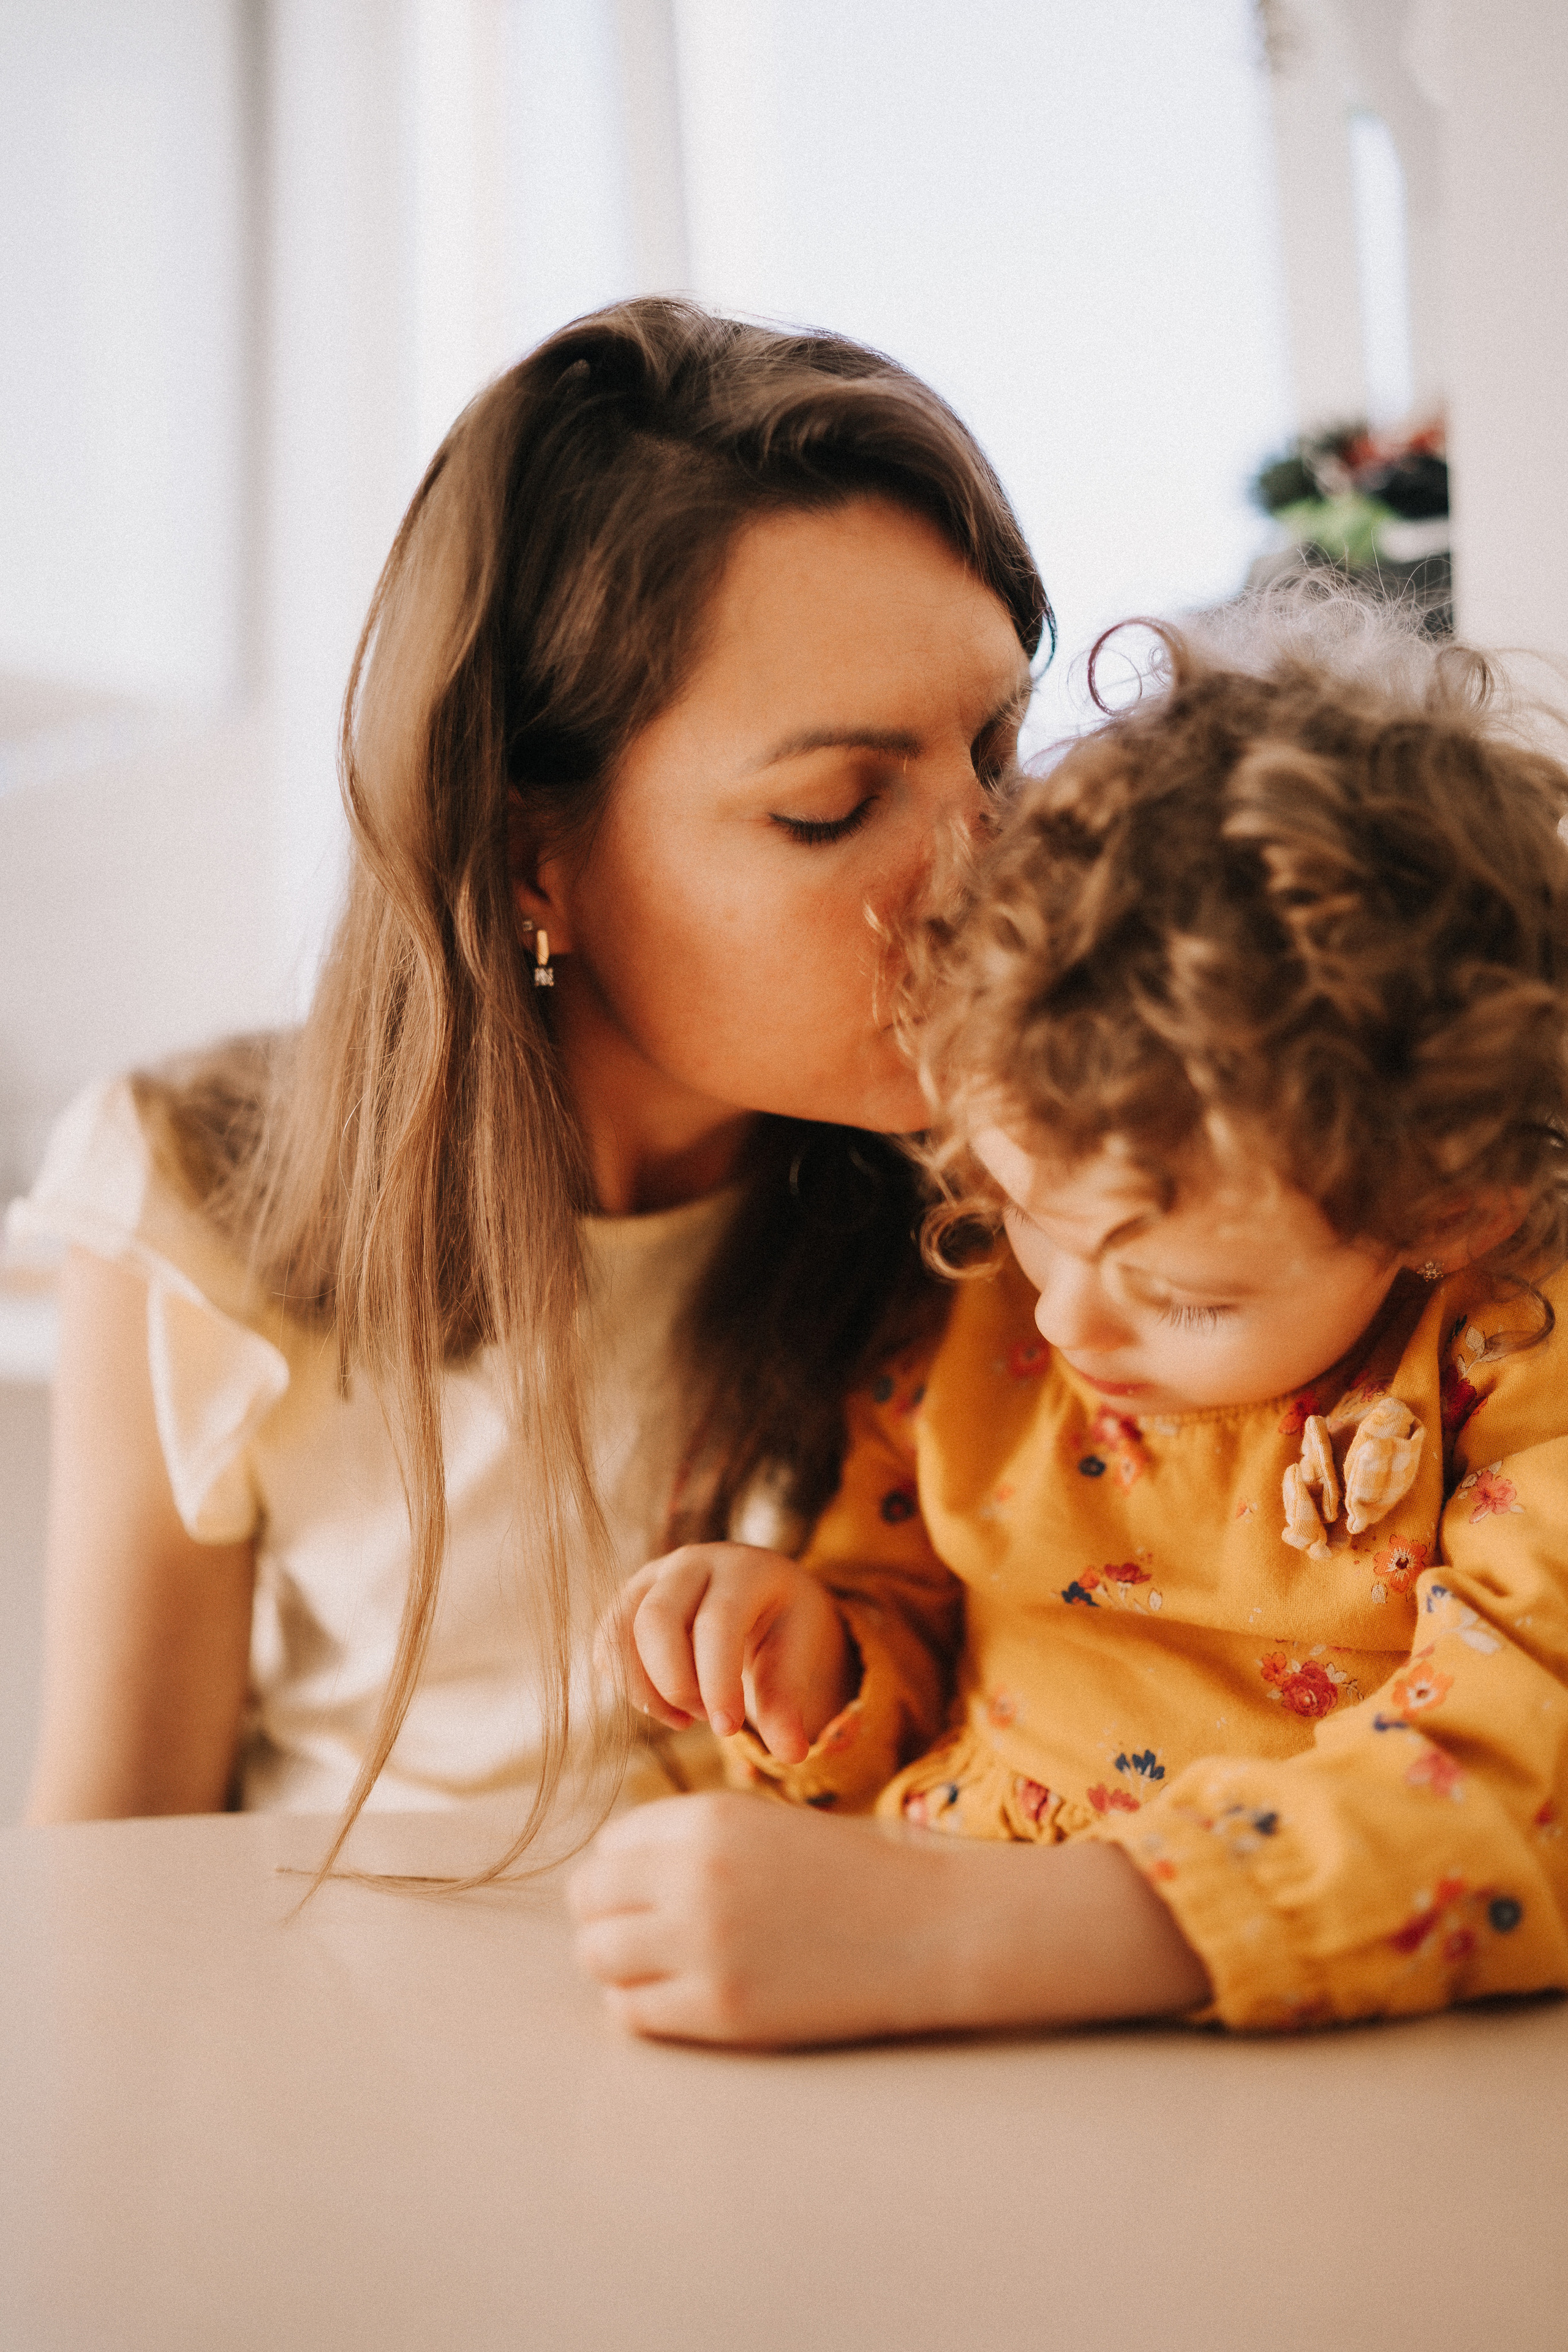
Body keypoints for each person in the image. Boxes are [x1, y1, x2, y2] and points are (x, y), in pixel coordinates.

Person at [13, 298, 1046, 1872]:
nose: (994, 871)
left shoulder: (1048, 1199)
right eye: (835, 808)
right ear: (524, 861)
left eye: (997, 745)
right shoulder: (190, 1188)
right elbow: (109, 1881)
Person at [579, 593, 1568, 2041]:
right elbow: (908, 1618)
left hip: (1299, 2038)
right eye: (1023, 1213)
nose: (1069, 1326)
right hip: (938, 1998)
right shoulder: (982, 1312)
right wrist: (809, 1649)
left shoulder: (1505, 1357)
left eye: (1184, 1295)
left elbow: (1523, 1766)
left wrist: (969, 1939)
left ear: (1443, 1209)